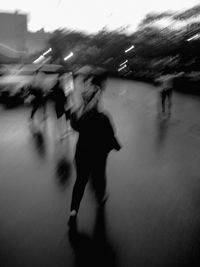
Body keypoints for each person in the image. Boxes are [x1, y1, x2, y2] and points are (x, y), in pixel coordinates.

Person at [68, 73, 121, 227]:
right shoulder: (103, 117)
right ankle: (100, 199)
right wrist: (115, 146)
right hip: (98, 154)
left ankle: (73, 211)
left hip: (81, 152)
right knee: (99, 178)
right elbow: (111, 135)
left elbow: (74, 125)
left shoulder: (78, 115)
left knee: (80, 181)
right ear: (98, 97)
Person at [49, 73, 71, 140]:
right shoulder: (57, 88)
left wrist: (67, 102)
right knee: (60, 119)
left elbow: (65, 96)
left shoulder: (61, 87)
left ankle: (66, 130)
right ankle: (61, 134)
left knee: (65, 117)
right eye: (61, 79)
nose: (62, 80)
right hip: (60, 105)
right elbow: (57, 97)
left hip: (62, 105)